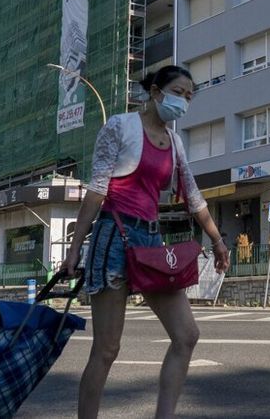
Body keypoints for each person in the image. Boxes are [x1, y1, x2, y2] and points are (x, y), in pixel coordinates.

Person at [61, 65, 229, 419]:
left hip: (151, 242)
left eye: (189, 96)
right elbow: (96, 190)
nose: (184, 100)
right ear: (155, 92)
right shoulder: (120, 126)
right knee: (107, 349)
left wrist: (217, 240)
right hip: (113, 238)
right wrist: (75, 248)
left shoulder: (175, 143)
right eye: (179, 92)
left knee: (186, 335)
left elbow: (194, 196)